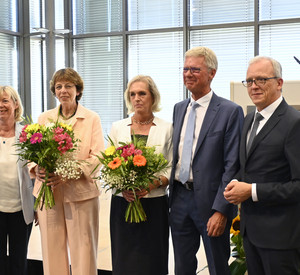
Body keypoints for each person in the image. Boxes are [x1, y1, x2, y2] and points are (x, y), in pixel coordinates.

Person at [169, 46, 244, 275]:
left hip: (211, 203)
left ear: (212, 73)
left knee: (217, 266)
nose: (188, 74)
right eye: (185, 69)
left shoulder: (230, 111)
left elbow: (233, 164)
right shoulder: (179, 108)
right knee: (182, 266)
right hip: (179, 198)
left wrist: (221, 210)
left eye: (195, 69)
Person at [224, 56, 300, 275]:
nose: (254, 86)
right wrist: (237, 182)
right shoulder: (248, 119)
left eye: (261, 80)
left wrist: (252, 191)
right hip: (250, 233)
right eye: (249, 81)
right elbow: (250, 167)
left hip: (281, 238)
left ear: (279, 83)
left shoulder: (294, 123)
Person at [29, 68, 105, 275]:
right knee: (51, 250)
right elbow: (32, 152)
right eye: (59, 86)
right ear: (54, 91)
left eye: (68, 86)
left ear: (78, 90)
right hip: (49, 195)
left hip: (81, 195)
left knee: (84, 251)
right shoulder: (44, 118)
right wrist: (37, 168)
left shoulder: (91, 118)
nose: (63, 90)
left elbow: (99, 157)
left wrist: (69, 172)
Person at [109, 75, 172, 275]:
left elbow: (171, 167)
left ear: (153, 97)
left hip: (154, 203)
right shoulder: (118, 127)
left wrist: (153, 184)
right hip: (122, 203)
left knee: (153, 259)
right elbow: (107, 165)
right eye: (133, 94)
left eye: (142, 93)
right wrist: (122, 186)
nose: (137, 98)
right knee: (124, 259)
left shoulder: (166, 128)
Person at [0, 86, 35, 275]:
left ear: (15, 104)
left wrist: (38, 207)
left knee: (18, 261)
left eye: (5, 100)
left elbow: (37, 172)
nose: (1, 105)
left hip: (21, 210)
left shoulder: (28, 135)